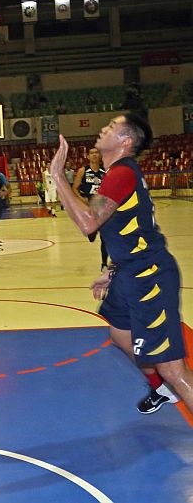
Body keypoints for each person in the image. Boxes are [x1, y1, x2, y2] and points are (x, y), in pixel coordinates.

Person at [50, 113, 193, 416]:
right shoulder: (117, 174)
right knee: (120, 335)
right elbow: (130, 228)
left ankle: (169, 382)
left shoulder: (122, 173)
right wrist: (113, 270)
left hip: (149, 275)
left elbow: (89, 223)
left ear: (126, 141)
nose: (103, 129)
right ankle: (162, 388)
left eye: (111, 127)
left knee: (172, 367)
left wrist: (58, 177)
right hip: (129, 271)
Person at [72, 148, 109, 270]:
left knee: (105, 238)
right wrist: (82, 199)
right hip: (89, 209)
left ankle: (104, 263)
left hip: (102, 208)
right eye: (92, 153)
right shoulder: (83, 171)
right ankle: (91, 230)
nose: (94, 155)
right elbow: (74, 188)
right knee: (92, 237)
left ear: (100, 156)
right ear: (88, 156)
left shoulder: (105, 171)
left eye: (96, 153)